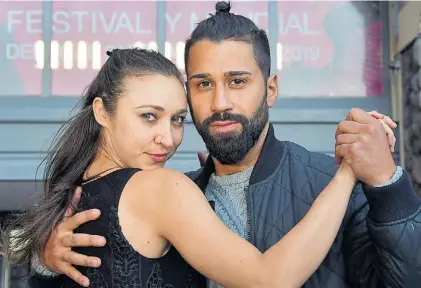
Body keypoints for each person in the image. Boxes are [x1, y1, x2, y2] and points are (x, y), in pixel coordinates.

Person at [23, 1, 421, 287]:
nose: (220, 103)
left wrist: (388, 184)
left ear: (270, 89)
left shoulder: (329, 184)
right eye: (202, 84)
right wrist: (45, 258)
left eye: (237, 81)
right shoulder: (177, 189)